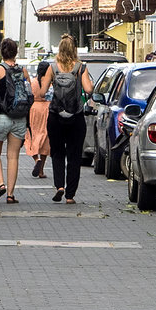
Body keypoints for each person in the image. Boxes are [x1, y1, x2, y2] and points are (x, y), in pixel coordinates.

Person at [39, 34, 94, 203]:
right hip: (75, 116)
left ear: (59, 49)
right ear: (74, 50)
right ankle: (70, 195)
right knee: (74, 155)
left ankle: (59, 187)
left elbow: (42, 93)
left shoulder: (52, 67)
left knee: (57, 153)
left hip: (55, 116)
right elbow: (89, 89)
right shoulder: (80, 67)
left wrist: (47, 83)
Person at [0, 37, 31, 203]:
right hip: (20, 118)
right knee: (13, 157)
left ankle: (0, 183)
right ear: (15, 52)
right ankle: (10, 194)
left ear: (1, 52)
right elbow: (30, 93)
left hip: (2, 116)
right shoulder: (23, 71)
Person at [27, 57, 52, 178]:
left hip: (34, 109)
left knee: (33, 136)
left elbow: (29, 95)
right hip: (47, 109)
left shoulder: (33, 82)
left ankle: (36, 159)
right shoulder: (50, 82)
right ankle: (41, 171)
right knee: (45, 138)